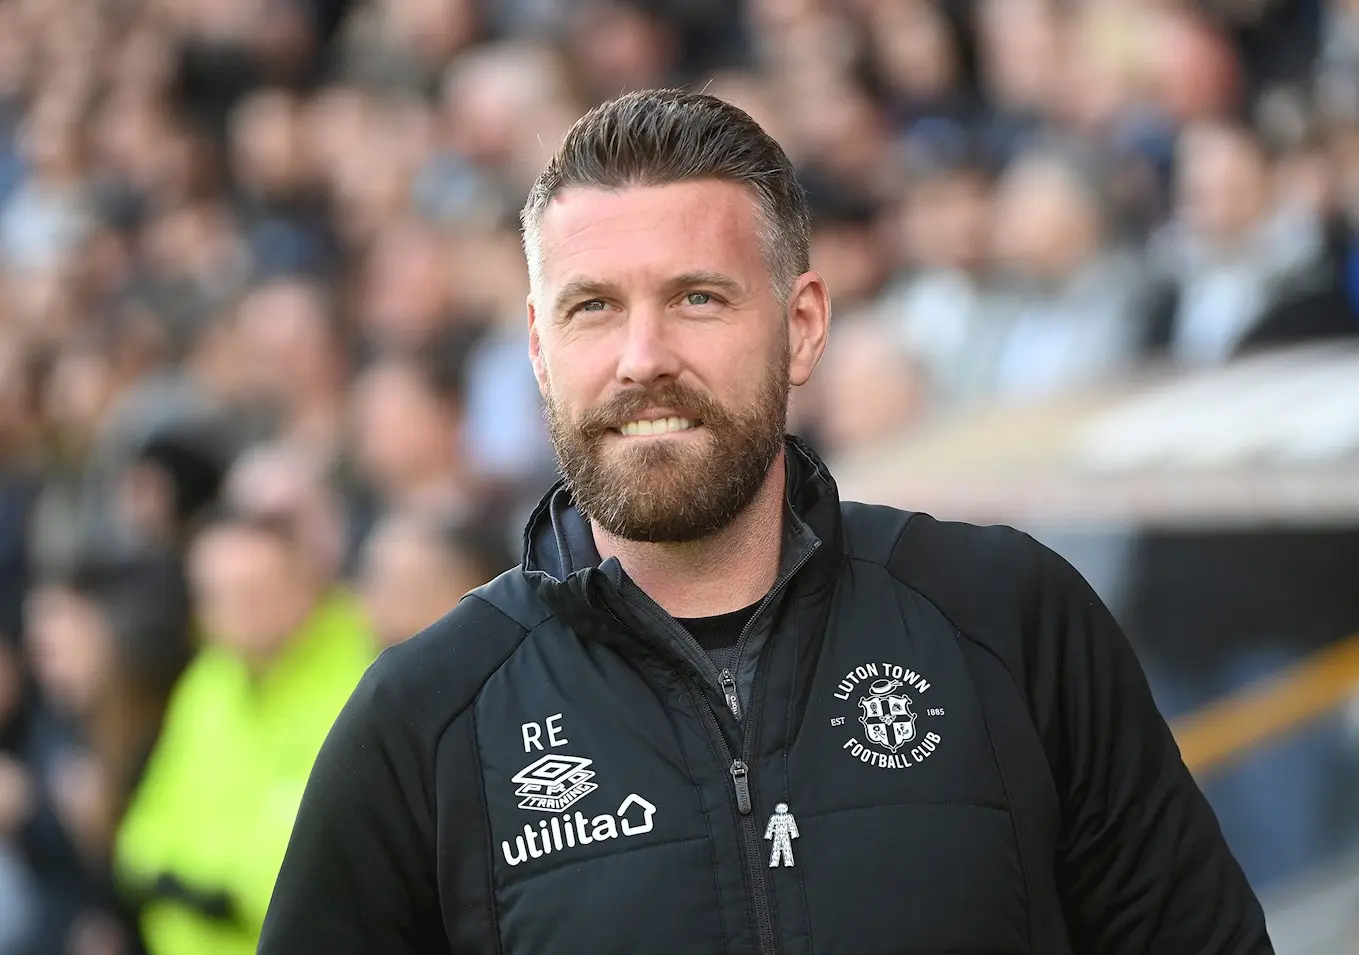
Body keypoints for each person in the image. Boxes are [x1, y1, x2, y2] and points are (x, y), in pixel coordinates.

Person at [258, 89, 1273, 955]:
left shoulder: (1009, 622)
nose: (642, 357)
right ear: (536, 345)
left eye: (697, 298)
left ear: (802, 326)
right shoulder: (427, 716)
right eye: (592, 307)